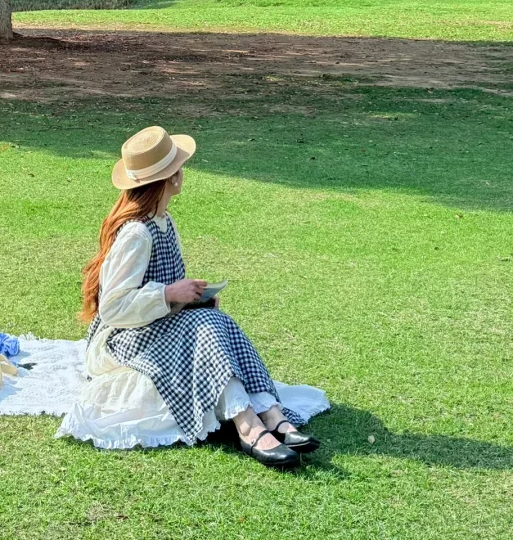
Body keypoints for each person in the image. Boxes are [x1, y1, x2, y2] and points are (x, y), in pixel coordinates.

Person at [57, 125, 328, 466]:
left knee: (213, 319)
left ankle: (272, 416)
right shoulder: (137, 234)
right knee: (206, 325)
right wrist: (170, 293)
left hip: (154, 324)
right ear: (168, 178)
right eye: (178, 168)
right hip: (121, 339)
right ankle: (248, 426)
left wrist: (192, 298)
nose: (183, 173)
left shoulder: (164, 222)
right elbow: (112, 308)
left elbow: (164, 294)